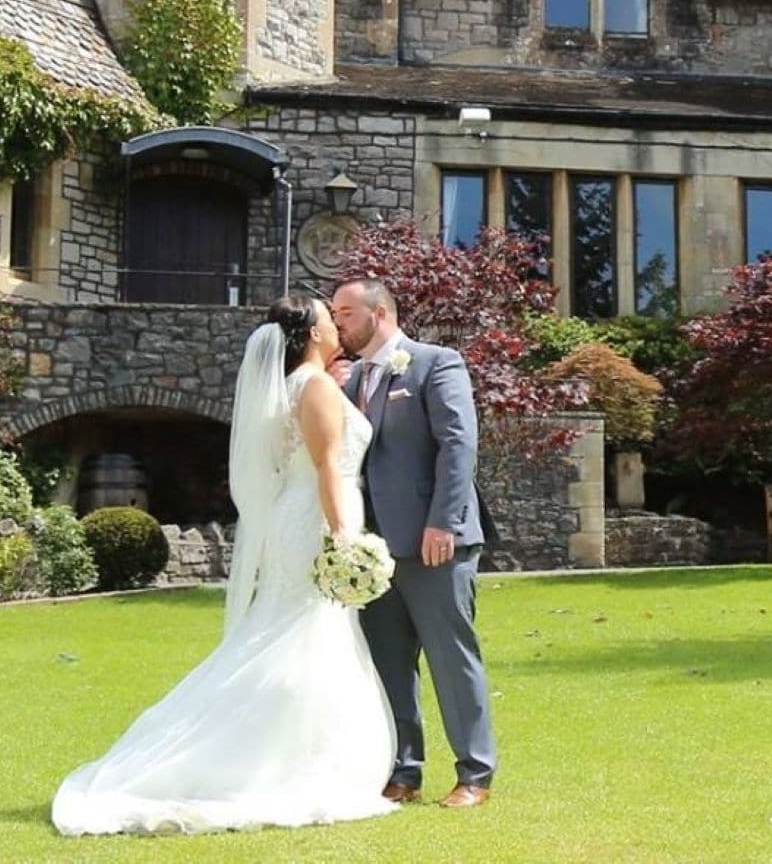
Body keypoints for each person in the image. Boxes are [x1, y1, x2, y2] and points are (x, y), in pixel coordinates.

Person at [49, 296, 399, 837]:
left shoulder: (289, 388)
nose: (335, 321)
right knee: (306, 633)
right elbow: (330, 467)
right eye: (327, 315)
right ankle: (285, 761)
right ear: (311, 334)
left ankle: (285, 749)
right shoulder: (317, 387)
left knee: (289, 630)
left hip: (295, 517)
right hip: (316, 519)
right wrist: (346, 539)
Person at [329, 276, 496, 808]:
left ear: (379, 314)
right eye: (334, 315)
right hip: (372, 553)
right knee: (389, 664)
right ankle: (404, 771)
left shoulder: (434, 362)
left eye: (346, 314)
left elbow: (458, 444)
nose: (338, 324)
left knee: (452, 659)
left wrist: (443, 522)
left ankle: (475, 774)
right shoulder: (349, 377)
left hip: (434, 544)